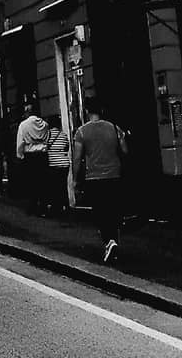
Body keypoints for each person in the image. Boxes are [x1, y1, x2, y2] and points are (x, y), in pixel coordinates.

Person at [70, 99, 128, 263]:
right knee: (113, 209)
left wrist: (75, 180)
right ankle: (114, 240)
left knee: (101, 211)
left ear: (87, 111)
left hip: (94, 177)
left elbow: (77, 158)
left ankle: (108, 241)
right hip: (114, 175)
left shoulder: (81, 132)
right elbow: (124, 150)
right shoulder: (115, 128)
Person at [15, 98, 53, 216]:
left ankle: (32, 207)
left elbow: (20, 142)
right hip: (42, 155)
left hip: (30, 155)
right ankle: (43, 208)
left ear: (27, 112)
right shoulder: (44, 124)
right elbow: (48, 138)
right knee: (43, 182)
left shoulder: (23, 125)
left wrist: (20, 155)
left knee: (31, 182)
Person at [47, 114, 72, 217]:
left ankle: (56, 207)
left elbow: (45, 147)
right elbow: (66, 148)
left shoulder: (47, 135)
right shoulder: (63, 135)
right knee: (63, 185)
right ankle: (66, 205)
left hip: (53, 163)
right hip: (64, 164)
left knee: (54, 186)